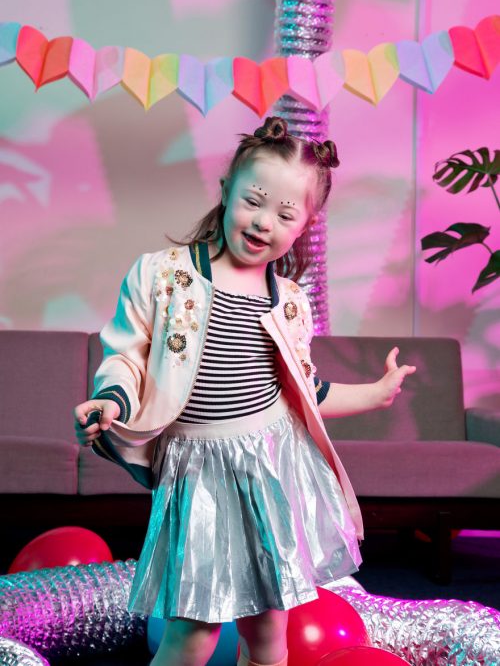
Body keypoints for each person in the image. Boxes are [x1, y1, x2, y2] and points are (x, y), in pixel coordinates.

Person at [73, 116, 416, 666]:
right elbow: (127, 356)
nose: (263, 222)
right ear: (226, 188)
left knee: (268, 631)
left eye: (284, 214)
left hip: (268, 470)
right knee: (192, 634)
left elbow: (307, 390)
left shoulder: (290, 302)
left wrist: (375, 392)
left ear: (305, 225)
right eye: (253, 201)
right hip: (200, 472)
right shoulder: (162, 276)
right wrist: (110, 401)